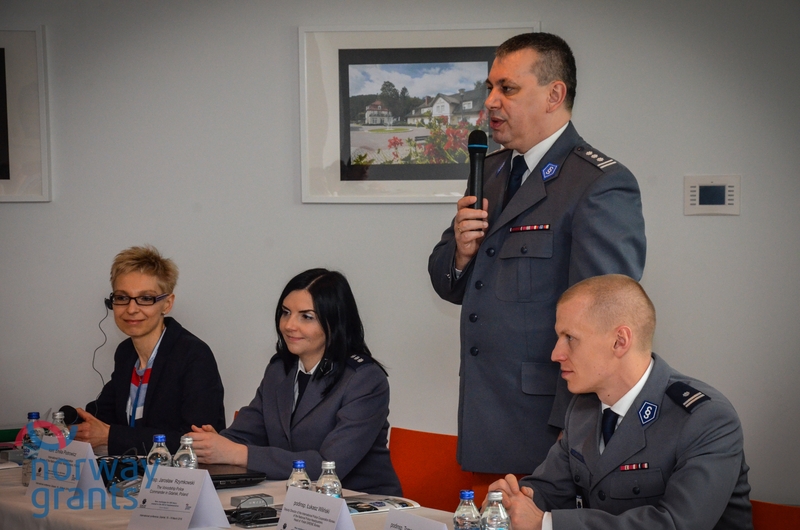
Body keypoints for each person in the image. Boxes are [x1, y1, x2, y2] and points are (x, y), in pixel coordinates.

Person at [428, 32, 646, 475]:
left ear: (554, 95)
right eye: (490, 87)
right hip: (486, 409)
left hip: (550, 421)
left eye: (507, 88)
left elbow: (605, 321)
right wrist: (462, 255)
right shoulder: (490, 170)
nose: (490, 101)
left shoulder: (598, 183)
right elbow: (447, 283)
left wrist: (574, 424)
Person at [489, 274, 752, 530]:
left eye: (570, 338)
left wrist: (546, 524)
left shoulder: (706, 419)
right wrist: (513, 501)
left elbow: (677, 524)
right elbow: (552, 489)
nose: (556, 354)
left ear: (619, 341)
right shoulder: (583, 408)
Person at [188, 268, 402, 496]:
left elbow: (328, 466)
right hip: (295, 498)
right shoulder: (279, 370)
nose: (289, 325)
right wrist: (212, 443)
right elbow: (246, 432)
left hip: (360, 502)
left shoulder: (364, 379)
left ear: (334, 321)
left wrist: (236, 453)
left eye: (306, 317)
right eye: (286, 313)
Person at [74, 245, 226, 455]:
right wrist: (67, 423)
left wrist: (111, 436)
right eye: (122, 298)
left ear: (167, 304)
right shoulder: (126, 353)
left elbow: (196, 442)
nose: (131, 309)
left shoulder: (194, 355)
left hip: (182, 474)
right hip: (134, 470)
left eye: (146, 298)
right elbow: (102, 413)